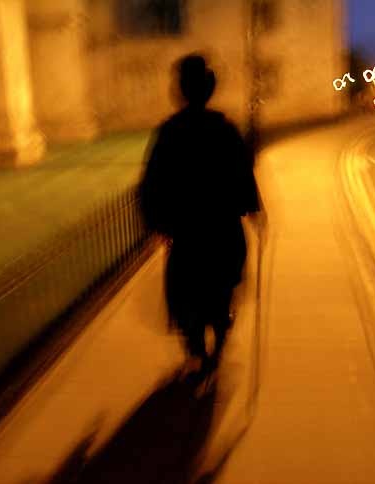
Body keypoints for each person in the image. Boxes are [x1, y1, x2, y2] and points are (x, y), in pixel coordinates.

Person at [139, 54, 262, 380]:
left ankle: (196, 352)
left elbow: (152, 182)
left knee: (186, 296)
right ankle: (218, 342)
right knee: (221, 290)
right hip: (223, 230)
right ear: (208, 92)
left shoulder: (169, 132)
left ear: (181, 91)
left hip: (187, 233)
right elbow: (242, 173)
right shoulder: (225, 129)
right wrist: (253, 208)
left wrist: (156, 223)